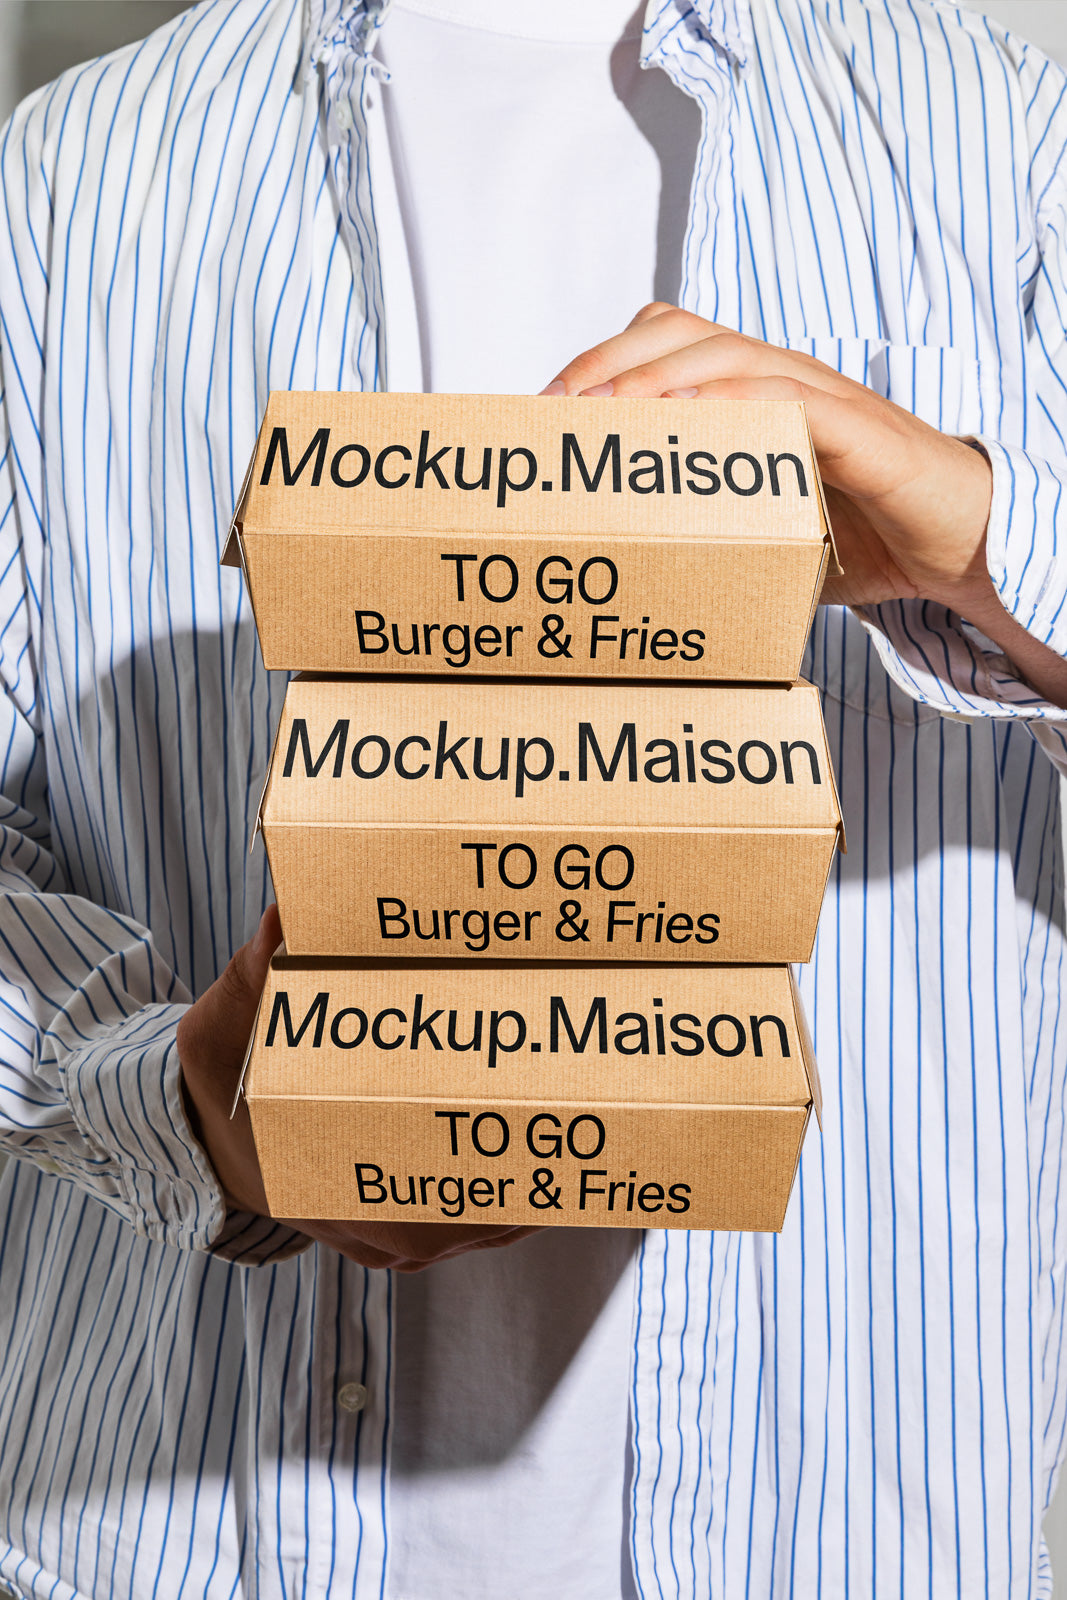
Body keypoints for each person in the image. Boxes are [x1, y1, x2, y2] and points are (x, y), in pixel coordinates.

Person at [3, 0, 1067, 1593]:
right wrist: (163, 1098)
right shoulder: (72, 187)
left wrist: (998, 552)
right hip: (174, 1524)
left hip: (839, 1532)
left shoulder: (1015, 156)